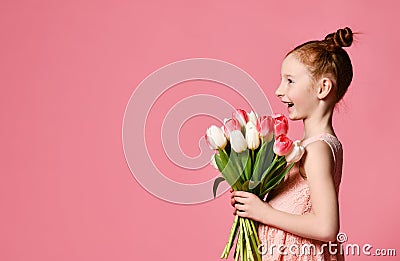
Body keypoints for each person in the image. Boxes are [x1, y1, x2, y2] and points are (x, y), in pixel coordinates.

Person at [231, 27, 354, 260]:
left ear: (322, 88)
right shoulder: (305, 146)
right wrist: (251, 195)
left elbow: (326, 227)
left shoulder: (318, 149)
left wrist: (263, 213)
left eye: (290, 81)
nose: (279, 91)